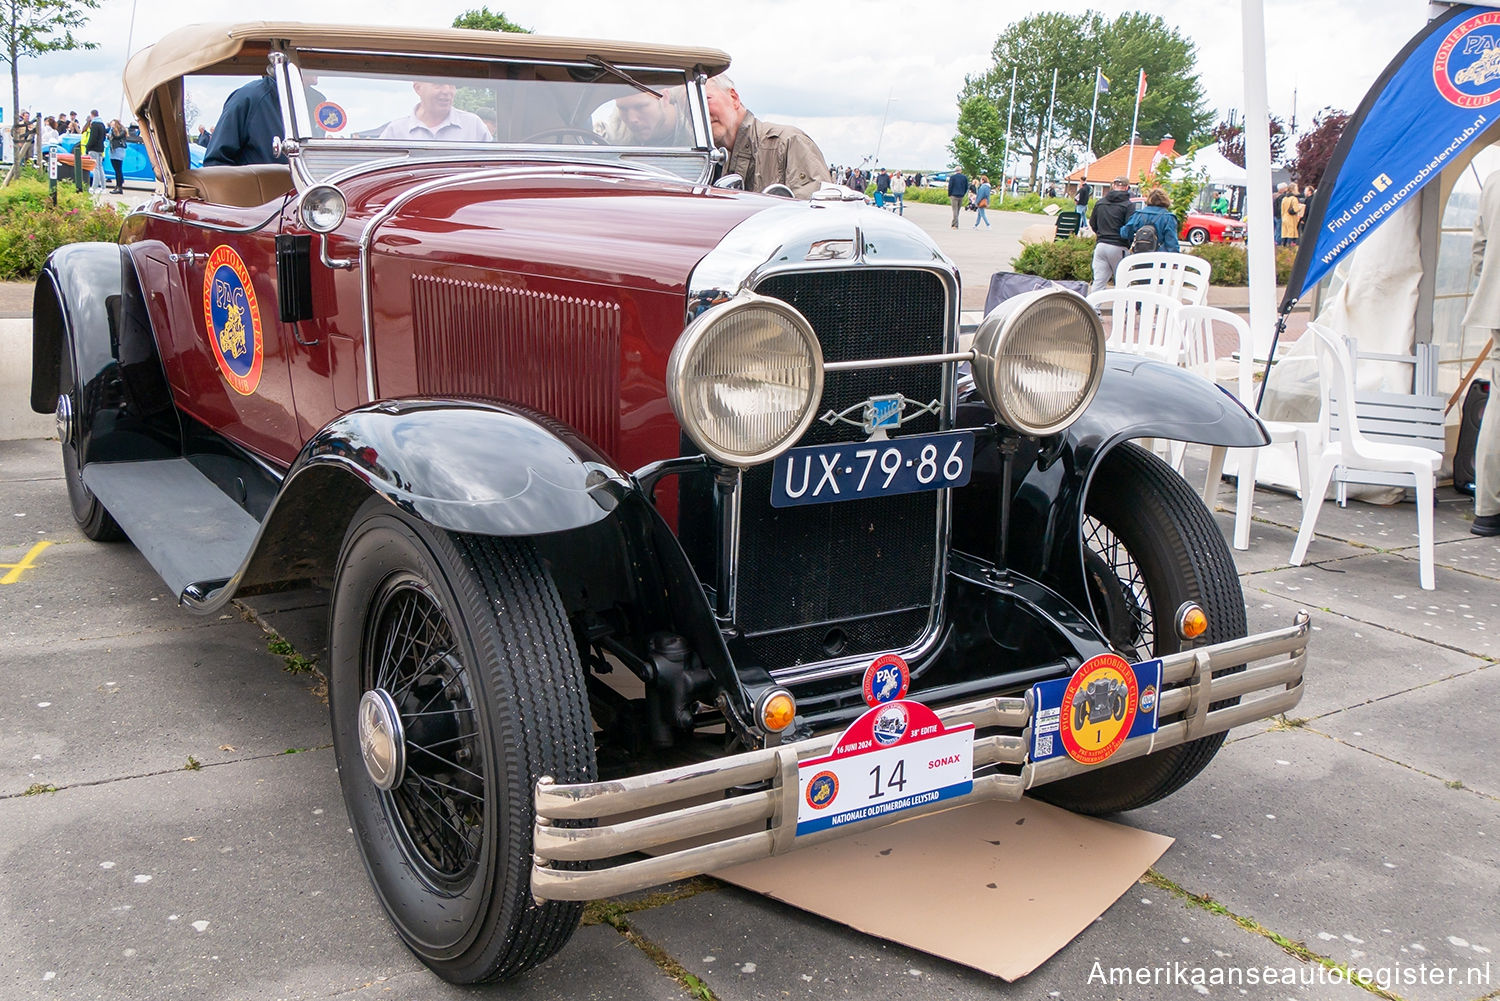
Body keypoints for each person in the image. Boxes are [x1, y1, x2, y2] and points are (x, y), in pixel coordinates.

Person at [704, 74, 831, 198]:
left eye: (706, 100)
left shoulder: (788, 143)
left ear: (734, 98)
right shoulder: (713, 161)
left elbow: (818, 211)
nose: (701, 113)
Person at [1463, 169, 1500, 537]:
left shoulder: (1494, 177)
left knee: (1497, 407)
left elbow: (1480, 248)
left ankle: (1488, 508)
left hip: (1497, 303)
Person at [205, 72, 329, 166]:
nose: (315, 81)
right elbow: (216, 163)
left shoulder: (317, 102)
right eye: (310, 69)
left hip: (311, 195)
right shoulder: (248, 98)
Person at [379, 79, 491, 142]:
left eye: (452, 85)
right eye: (439, 84)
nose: (447, 91)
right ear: (418, 88)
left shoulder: (473, 125)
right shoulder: (396, 131)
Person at [1088, 176, 1134, 292]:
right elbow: (1129, 227)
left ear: (1113, 186)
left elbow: (1092, 223)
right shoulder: (1128, 205)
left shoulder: (1100, 203)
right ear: (1127, 187)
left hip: (1101, 245)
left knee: (1099, 281)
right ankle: (1124, 308)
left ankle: (1093, 308)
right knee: (1122, 280)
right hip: (1119, 245)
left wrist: (1100, 234)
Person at [605, 86, 692, 146]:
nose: (632, 119)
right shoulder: (615, 133)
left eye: (640, 107)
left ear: (664, 98)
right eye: (623, 109)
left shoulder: (695, 135)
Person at [1121, 186, 1181, 254]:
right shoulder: (1168, 218)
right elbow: (1172, 244)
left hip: (1139, 256)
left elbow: (1125, 233)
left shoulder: (1138, 215)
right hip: (1158, 257)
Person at [106, 118, 128, 193]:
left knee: (118, 169)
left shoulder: (122, 130)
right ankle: (117, 186)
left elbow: (117, 136)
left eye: (112, 123)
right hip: (113, 150)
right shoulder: (112, 131)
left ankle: (119, 187)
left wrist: (112, 131)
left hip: (118, 150)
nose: (111, 125)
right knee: (117, 169)